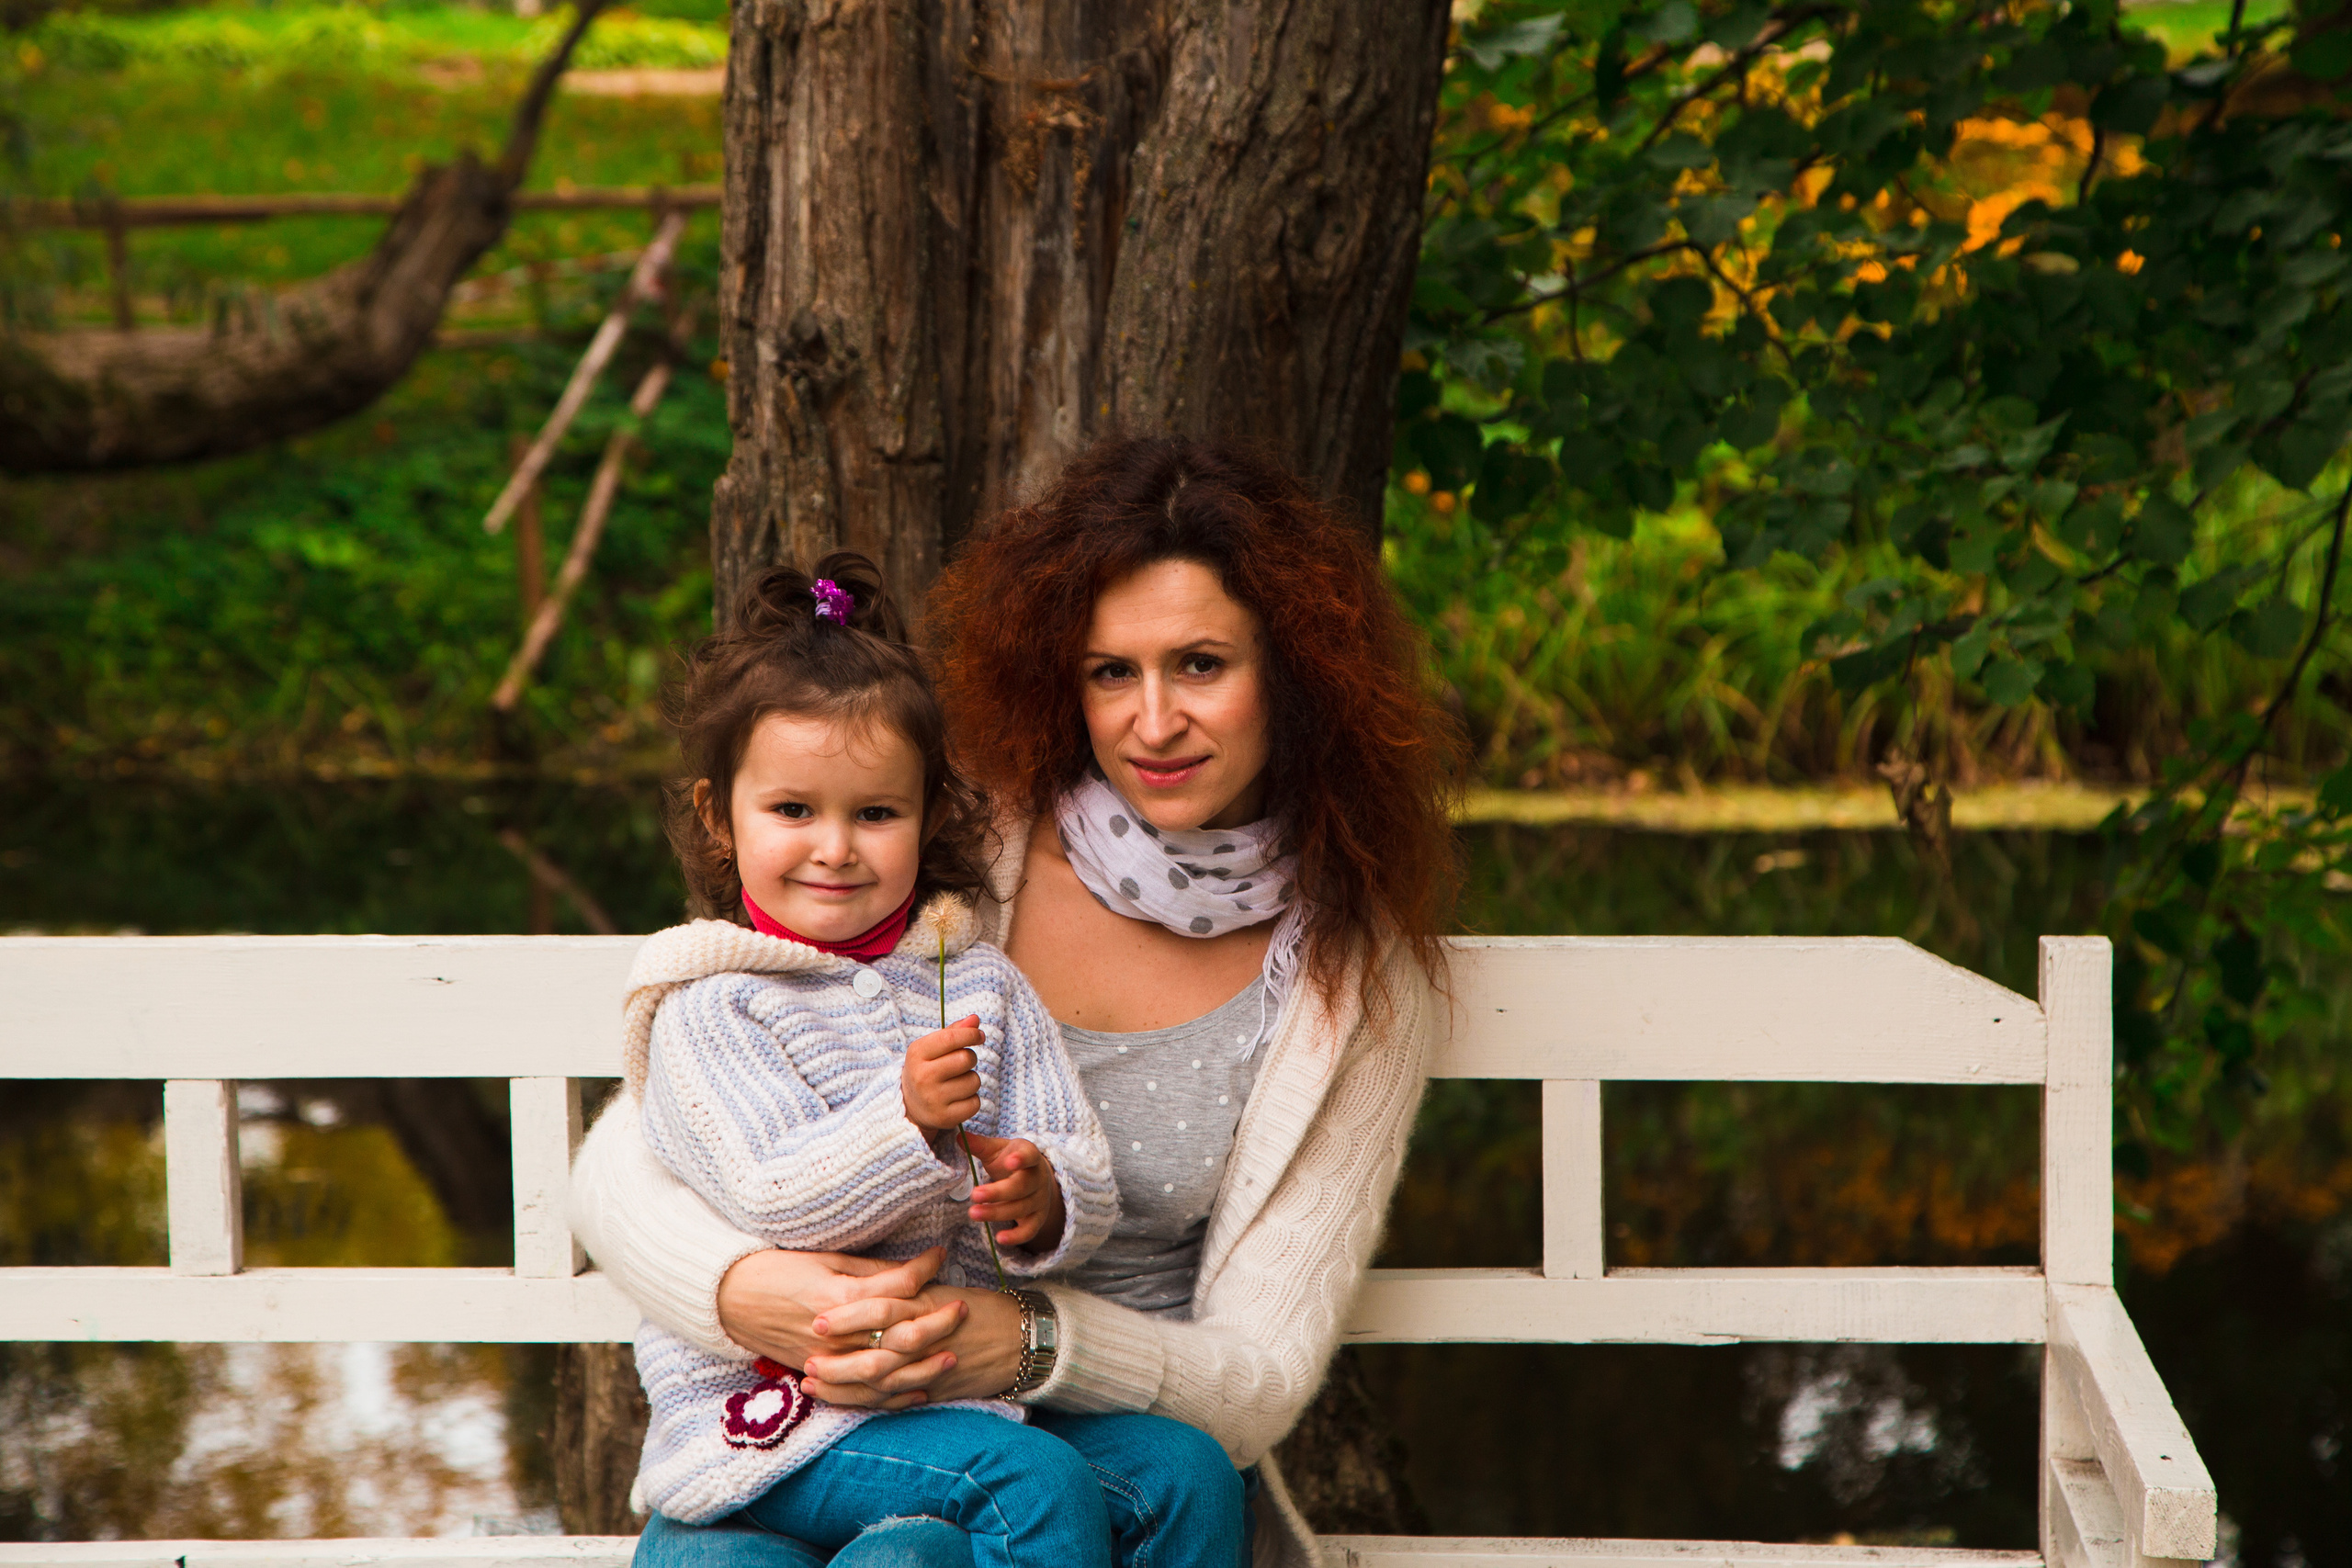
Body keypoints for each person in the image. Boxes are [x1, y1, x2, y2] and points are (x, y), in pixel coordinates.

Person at [573, 438, 1459, 1568]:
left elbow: (1262, 1376)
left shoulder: (1353, 982)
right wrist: (751, 1294)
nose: (1152, 721)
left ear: (1293, 674)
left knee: (1079, 1505)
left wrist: (1031, 1345)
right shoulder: (949, 848)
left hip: (1075, 1428)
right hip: (814, 1391)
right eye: (1108, 672)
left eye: (1199, 665)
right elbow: (624, 1162)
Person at [619, 548, 1247, 1568]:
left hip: (968, 1389)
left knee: (1186, 1474)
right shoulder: (711, 1006)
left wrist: (1042, 1200)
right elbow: (772, 1197)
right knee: (1026, 1487)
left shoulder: (980, 985)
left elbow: (1075, 1160)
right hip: (798, 1424)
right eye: (792, 811)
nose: (835, 848)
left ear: (927, 816)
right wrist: (903, 1121)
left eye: (876, 813)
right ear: (716, 818)